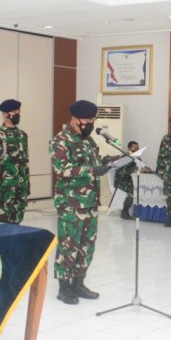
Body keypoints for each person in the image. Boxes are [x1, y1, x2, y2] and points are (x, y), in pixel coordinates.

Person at [49, 100, 114, 305]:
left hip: (90, 202)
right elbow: (62, 169)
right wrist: (92, 170)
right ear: (76, 119)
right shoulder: (61, 140)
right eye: (88, 120)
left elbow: (96, 162)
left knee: (87, 245)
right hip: (70, 203)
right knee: (69, 245)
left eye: (93, 120)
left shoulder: (88, 141)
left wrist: (113, 161)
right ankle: (64, 287)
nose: (91, 124)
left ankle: (78, 283)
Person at [0, 98, 30, 223]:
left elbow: (25, 161)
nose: (18, 114)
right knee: (3, 224)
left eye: (18, 111)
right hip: (5, 188)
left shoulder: (22, 135)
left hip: (21, 187)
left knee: (18, 222)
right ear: (5, 114)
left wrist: (27, 184)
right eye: (14, 112)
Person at [114, 141, 140, 220]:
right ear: (129, 149)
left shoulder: (137, 158)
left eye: (138, 148)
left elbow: (138, 168)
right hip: (121, 181)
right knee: (132, 189)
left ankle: (138, 213)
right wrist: (135, 169)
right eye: (135, 148)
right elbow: (123, 172)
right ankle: (124, 211)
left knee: (140, 187)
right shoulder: (125, 158)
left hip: (130, 180)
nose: (137, 149)